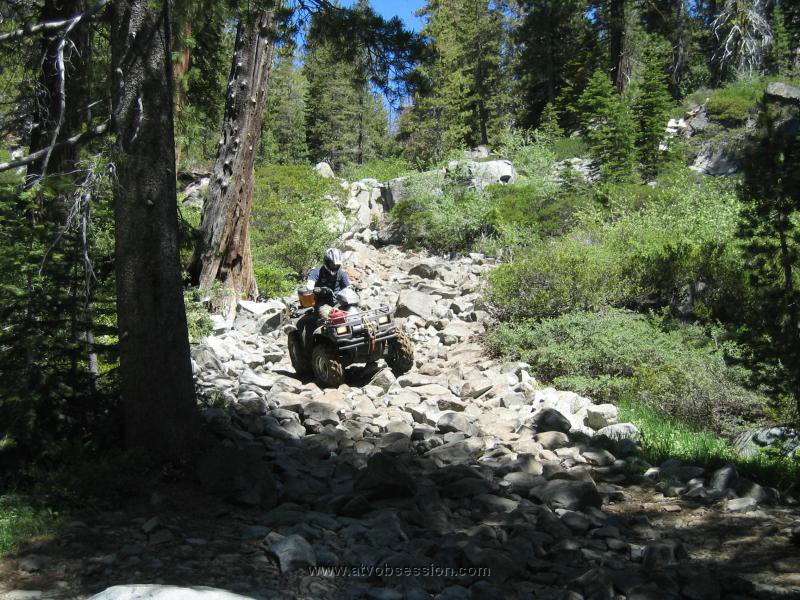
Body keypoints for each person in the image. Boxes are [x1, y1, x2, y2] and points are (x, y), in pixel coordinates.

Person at [297, 248, 351, 351]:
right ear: (327, 262)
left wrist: (352, 289)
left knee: (355, 312)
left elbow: (347, 288)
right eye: (332, 264)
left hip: (338, 301)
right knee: (331, 318)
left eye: (336, 264)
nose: (334, 266)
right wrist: (314, 288)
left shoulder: (341, 273)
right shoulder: (317, 271)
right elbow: (310, 284)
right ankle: (335, 339)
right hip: (322, 303)